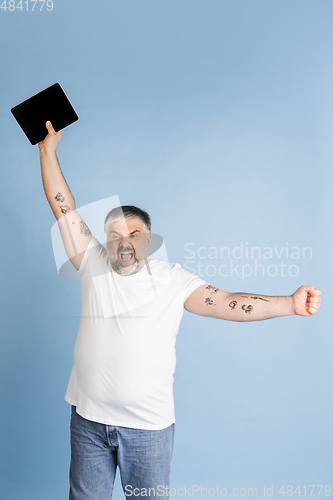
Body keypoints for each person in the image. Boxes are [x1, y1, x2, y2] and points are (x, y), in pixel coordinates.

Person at [38, 121, 321, 500]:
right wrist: (47, 152)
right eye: (115, 235)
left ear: (149, 240)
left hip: (148, 429)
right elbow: (64, 208)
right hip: (88, 421)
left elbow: (226, 302)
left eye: (134, 234)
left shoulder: (173, 279)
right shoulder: (93, 263)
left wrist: (289, 303)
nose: (125, 242)